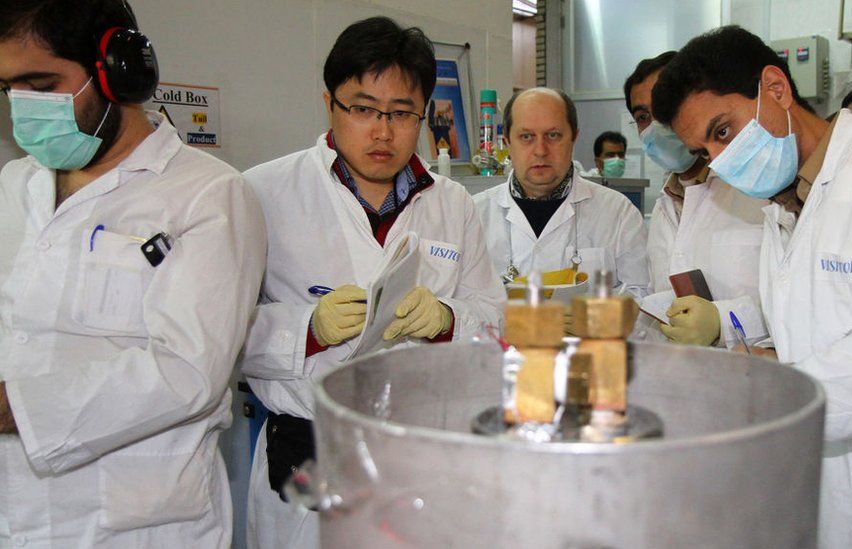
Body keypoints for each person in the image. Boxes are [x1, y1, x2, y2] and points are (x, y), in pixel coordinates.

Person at [653, 25, 852, 549]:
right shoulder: (785, 209)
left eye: (724, 130)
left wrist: (796, 393)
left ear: (775, 88)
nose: (721, 158)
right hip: (826, 502)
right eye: (705, 149)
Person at [0, 1, 267, 547]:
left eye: (42, 83)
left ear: (117, 69)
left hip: (137, 526)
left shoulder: (207, 194)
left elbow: (188, 372)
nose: (24, 108)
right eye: (8, 89)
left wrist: (16, 407)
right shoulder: (13, 185)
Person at [240, 16, 505, 549]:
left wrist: (450, 320)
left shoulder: (452, 204)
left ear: (425, 115)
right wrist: (307, 328)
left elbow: (495, 318)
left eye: (402, 113)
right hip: (310, 455)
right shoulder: (261, 192)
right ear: (328, 104)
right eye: (362, 109)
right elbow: (221, 334)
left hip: (424, 455)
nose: (382, 131)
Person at [625, 52, 769, 348]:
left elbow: (801, 308)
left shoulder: (759, 192)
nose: (655, 125)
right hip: (686, 379)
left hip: (756, 379)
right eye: (643, 117)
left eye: (665, 108)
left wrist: (723, 321)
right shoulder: (664, 206)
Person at [473, 87, 650, 304]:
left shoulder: (619, 214)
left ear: (574, 137)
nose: (540, 150)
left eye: (553, 135)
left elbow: (643, 297)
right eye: (526, 136)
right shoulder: (475, 214)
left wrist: (591, 318)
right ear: (508, 141)